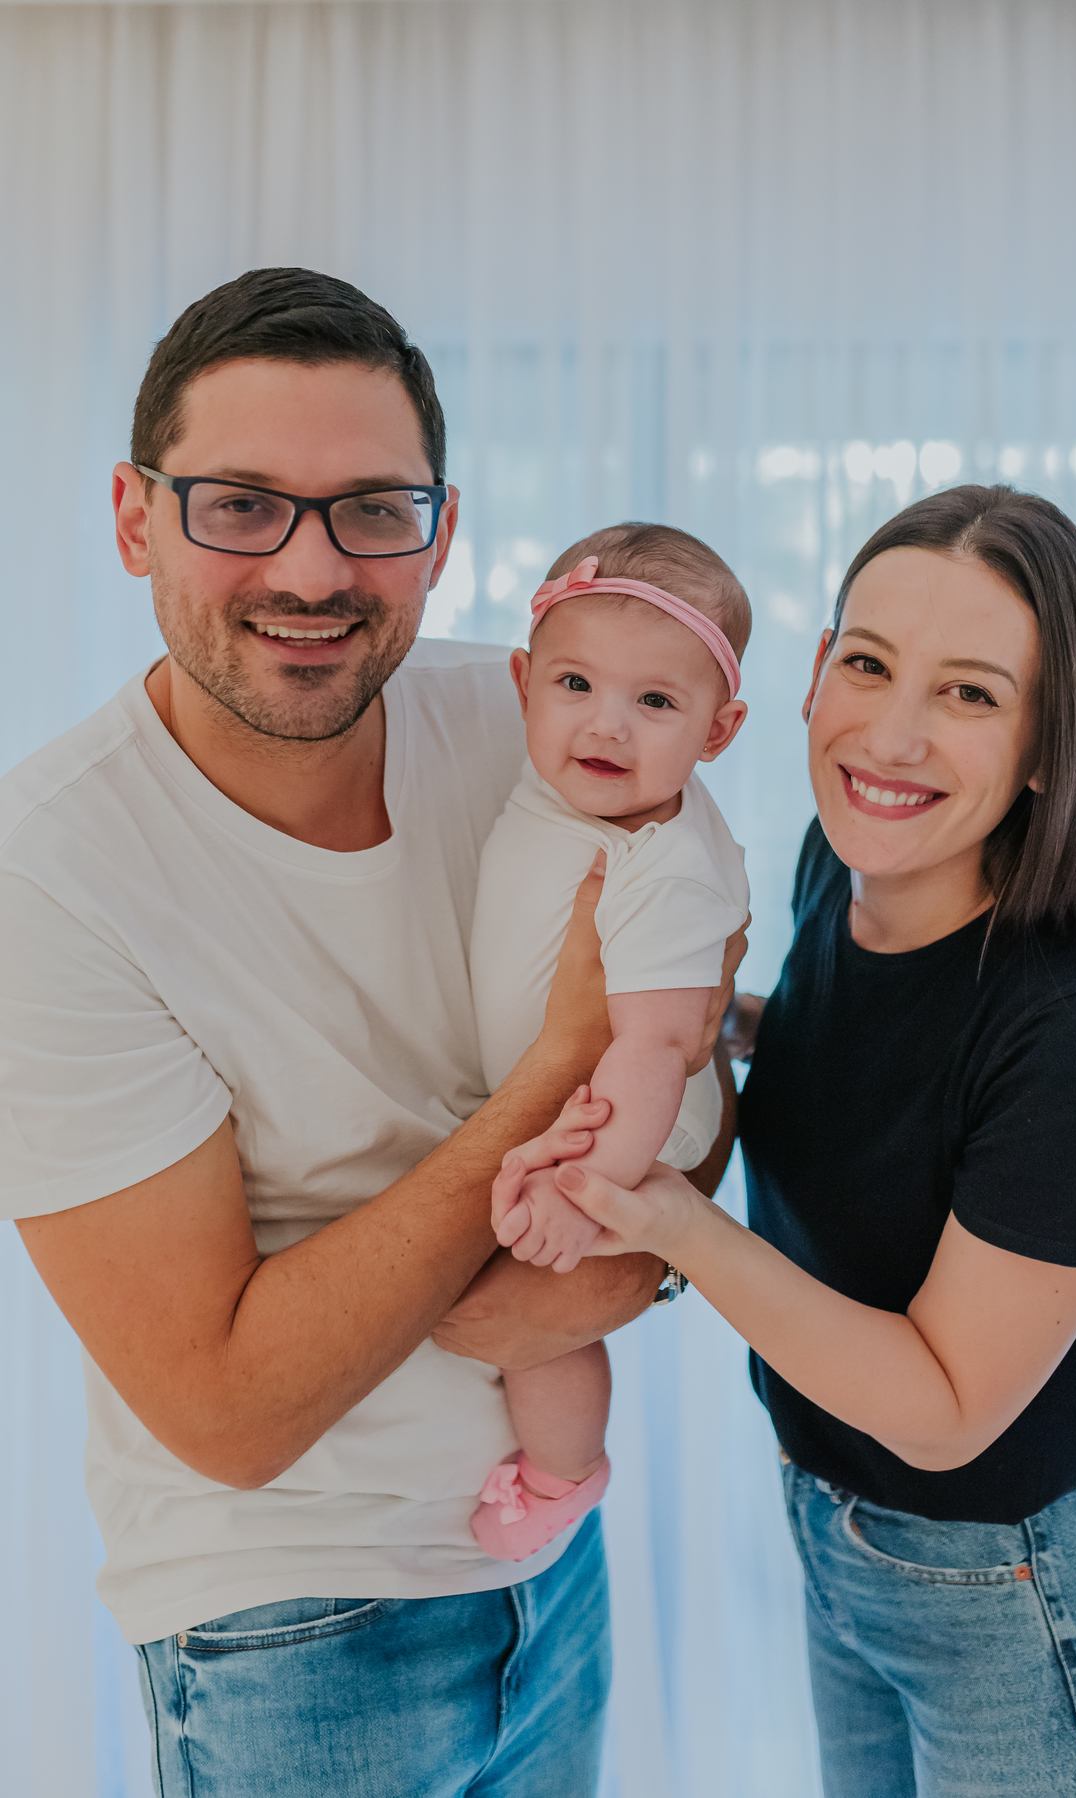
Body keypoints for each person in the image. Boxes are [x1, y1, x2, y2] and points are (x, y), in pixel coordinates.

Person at [0, 266, 744, 1798]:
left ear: (442, 535)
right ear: (136, 518)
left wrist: (638, 1260)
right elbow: (228, 1408)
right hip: (296, 1632)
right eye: (241, 504)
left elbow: (701, 1026)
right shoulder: (52, 879)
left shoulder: (546, 720)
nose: (313, 567)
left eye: (372, 512)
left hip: (551, 1576)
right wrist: (550, 1073)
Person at [512, 485, 1076, 1795]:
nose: (891, 729)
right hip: (844, 1540)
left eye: (970, 693)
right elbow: (874, 1073)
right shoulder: (850, 872)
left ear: (1051, 744)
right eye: (869, 662)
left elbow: (944, 1409)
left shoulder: (1073, 1031)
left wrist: (666, 1215)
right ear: (816, 670)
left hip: (1023, 1602)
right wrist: (715, 1024)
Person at [467, 524, 750, 1561]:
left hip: (628, 1121)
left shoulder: (666, 864)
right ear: (523, 681)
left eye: (657, 704)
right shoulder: (568, 788)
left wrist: (587, 1191)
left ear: (718, 732)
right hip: (577, 1091)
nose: (607, 725)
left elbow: (660, 1045)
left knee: (548, 1320)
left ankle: (563, 1472)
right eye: (576, 683)